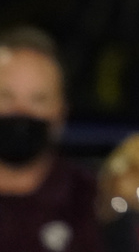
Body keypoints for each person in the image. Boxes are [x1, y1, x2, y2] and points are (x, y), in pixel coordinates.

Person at [0, 25, 103, 252]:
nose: (20, 111)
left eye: (38, 100)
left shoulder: (94, 205)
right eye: (6, 97)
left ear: (60, 114)